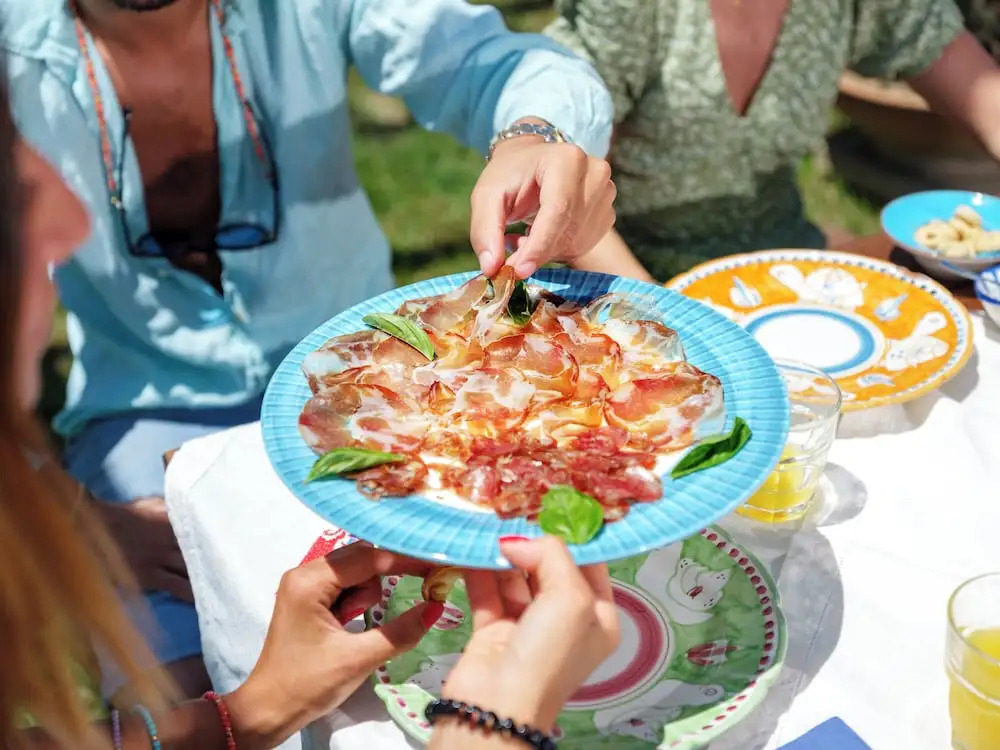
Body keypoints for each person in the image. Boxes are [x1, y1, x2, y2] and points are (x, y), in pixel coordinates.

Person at [0, 0, 631, 694]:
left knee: (503, 653)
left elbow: (496, 59)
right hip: (145, 421)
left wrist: (534, 135)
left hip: (379, 390)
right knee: (179, 695)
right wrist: (74, 517)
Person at [546, 0, 1000, 281]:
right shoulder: (633, 10)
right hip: (641, 282)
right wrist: (664, 322)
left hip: (789, 274)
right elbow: (564, 191)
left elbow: (984, 94)